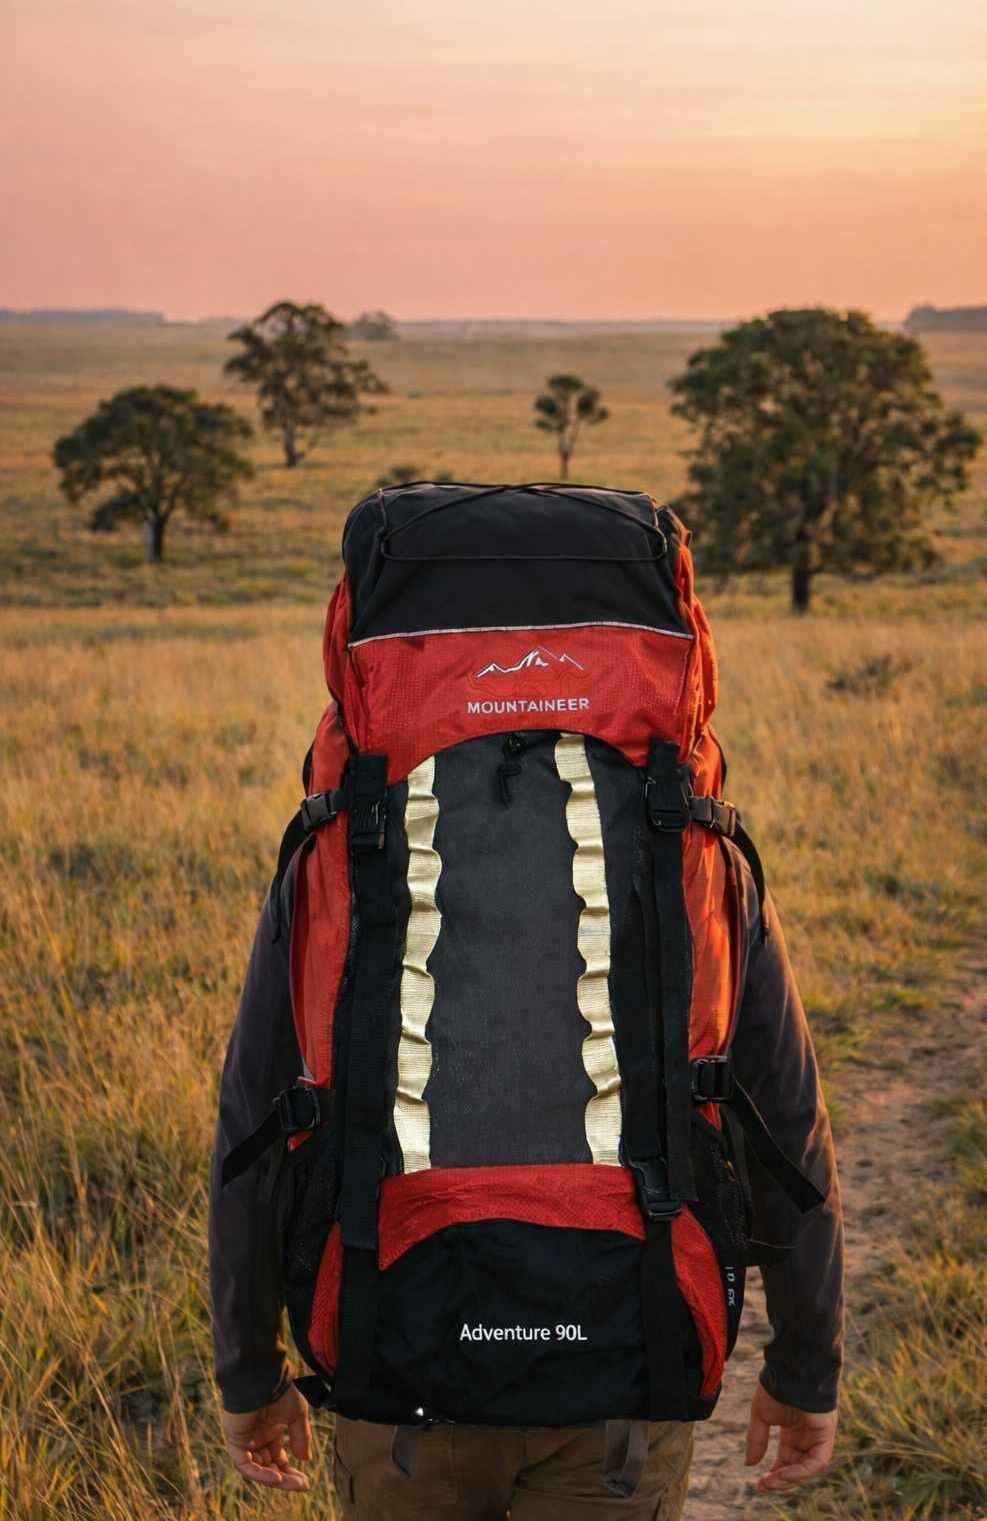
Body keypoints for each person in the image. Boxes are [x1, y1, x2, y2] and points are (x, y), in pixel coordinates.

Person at [209, 483, 843, 1518]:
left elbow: (255, 1114)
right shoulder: (689, 835)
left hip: (394, 1339)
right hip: (630, 1348)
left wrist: (248, 1371)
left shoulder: (342, 834)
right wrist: (805, 1366)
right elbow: (781, 1108)